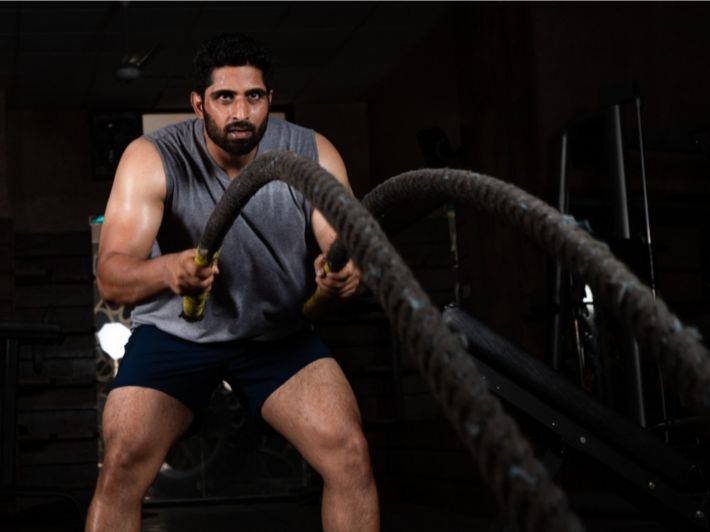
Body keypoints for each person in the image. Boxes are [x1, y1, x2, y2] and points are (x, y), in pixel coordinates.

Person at [85, 33, 379, 532]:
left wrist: (342, 272)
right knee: (121, 465)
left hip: (278, 337)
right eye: (224, 97)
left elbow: (341, 241)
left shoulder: (310, 151)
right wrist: (170, 270)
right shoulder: (152, 156)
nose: (240, 112)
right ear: (198, 103)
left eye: (254, 96)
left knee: (348, 453)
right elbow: (111, 277)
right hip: (175, 337)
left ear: (270, 98)